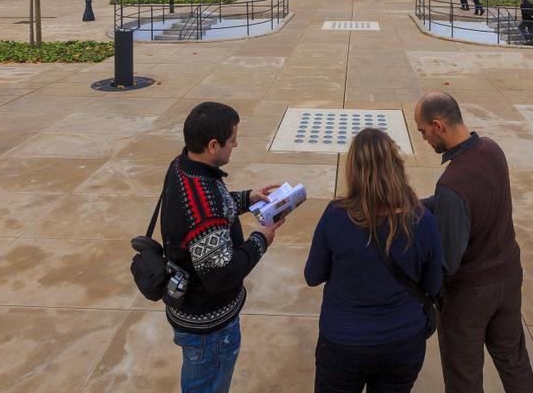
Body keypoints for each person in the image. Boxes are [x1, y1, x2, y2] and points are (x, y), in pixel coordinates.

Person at [413, 92, 533, 393]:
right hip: (508, 280)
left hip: (469, 297)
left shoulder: (452, 182)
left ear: (438, 125)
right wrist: (413, 204)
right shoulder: (492, 150)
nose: (425, 139)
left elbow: (447, 262)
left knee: (464, 378)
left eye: (423, 131)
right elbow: (467, 202)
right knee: (514, 361)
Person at [160, 102, 286, 393]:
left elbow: (210, 203)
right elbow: (220, 276)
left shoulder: (183, 166)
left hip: (191, 313)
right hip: (209, 329)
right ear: (213, 145)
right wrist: (260, 240)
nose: (236, 145)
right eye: (232, 140)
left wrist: (248, 197)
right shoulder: (205, 205)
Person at [305, 129, 442, 393]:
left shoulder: (335, 216)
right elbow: (433, 284)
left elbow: (313, 276)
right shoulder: (423, 220)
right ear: (395, 165)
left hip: (343, 343)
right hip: (403, 342)